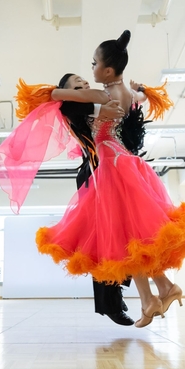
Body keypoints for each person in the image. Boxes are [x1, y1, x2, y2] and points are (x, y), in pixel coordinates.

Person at [0, 30, 185, 328]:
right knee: (133, 234)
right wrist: (139, 88)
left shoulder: (102, 95)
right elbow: (140, 96)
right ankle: (160, 290)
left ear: (106, 70)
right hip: (124, 163)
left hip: (112, 167)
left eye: (92, 65)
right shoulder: (125, 94)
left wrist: (79, 97)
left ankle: (153, 296)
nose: (88, 74)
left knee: (126, 234)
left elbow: (56, 95)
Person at [57, 73, 135, 326]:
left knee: (124, 232)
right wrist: (101, 108)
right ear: (68, 90)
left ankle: (117, 289)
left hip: (113, 171)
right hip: (94, 175)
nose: (83, 83)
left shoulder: (95, 101)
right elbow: (64, 102)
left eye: (84, 80)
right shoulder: (71, 107)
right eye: (76, 83)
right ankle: (110, 304)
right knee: (104, 239)